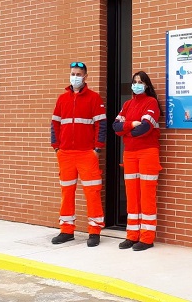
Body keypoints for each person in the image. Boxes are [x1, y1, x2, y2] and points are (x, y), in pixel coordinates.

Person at [50, 62, 106, 247]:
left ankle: (94, 231)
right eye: (73, 73)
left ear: (85, 77)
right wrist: (56, 146)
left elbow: (101, 125)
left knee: (92, 192)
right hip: (65, 154)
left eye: (78, 74)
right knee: (67, 192)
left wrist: (97, 148)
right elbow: (55, 124)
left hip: (86, 154)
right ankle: (66, 230)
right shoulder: (62, 99)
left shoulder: (94, 98)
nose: (75, 77)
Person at [112, 71, 162, 251]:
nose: (137, 84)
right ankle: (132, 235)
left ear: (146, 85)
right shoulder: (127, 104)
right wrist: (132, 124)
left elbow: (145, 128)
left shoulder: (151, 102)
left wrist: (129, 129)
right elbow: (116, 127)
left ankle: (147, 238)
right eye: (135, 81)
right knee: (132, 196)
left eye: (140, 82)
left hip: (148, 153)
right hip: (130, 154)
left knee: (147, 196)